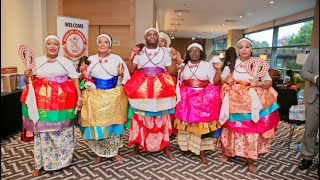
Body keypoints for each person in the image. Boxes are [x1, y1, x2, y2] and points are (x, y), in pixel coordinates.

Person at [21, 34, 82, 176]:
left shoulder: (66, 61)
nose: (52, 46)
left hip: (63, 102)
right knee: (42, 132)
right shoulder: (37, 61)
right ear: (45, 46)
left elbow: (74, 79)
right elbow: (29, 81)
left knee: (63, 130)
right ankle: (40, 163)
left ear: (59, 47)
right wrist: (27, 76)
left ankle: (63, 161)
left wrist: (79, 97)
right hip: (42, 104)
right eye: (49, 44)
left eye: (55, 44)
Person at [219, 37, 280, 173]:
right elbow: (222, 79)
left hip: (251, 100)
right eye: (241, 47)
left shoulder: (258, 64)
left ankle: (250, 159)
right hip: (234, 100)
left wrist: (258, 83)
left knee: (250, 127)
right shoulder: (232, 64)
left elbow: (268, 82)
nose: (244, 49)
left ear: (251, 49)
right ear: (238, 50)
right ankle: (228, 152)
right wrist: (226, 79)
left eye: (247, 47)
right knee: (231, 126)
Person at [124, 28, 177, 160]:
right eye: (149, 34)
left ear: (158, 38)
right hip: (142, 87)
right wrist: (132, 56)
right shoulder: (138, 53)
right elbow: (131, 70)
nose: (152, 36)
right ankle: (137, 146)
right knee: (140, 116)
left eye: (155, 34)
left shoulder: (165, 52)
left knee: (161, 116)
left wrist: (174, 59)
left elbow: (172, 72)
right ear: (145, 37)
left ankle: (165, 146)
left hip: (160, 87)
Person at [78, 33, 130, 164]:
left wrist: (121, 74)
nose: (102, 44)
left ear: (110, 45)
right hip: (95, 97)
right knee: (98, 126)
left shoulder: (117, 58)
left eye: (105, 42)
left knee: (114, 125)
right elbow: (83, 77)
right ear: (97, 44)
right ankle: (100, 152)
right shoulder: (91, 59)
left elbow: (125, 78)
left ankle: (114, 152)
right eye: (100, 42)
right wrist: (82, 70)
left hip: (114, 96)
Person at [174, 42, 222, 165]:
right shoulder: (183, 66)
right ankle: (187, 147)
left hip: (203, 99)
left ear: (201, 53)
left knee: (202, 125)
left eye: (197, 50)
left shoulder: (207, 65)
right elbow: (179, 82)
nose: (194, 53)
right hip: (187, 98)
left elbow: (215, 82)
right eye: (191, 50)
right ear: (188, 53)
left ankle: (201, 151)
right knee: (187, 123)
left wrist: (218, 70)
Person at [298, 48, 319, 175]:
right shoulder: (315, 52)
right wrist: (316, 78)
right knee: (310, 130)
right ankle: (307, 157)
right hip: (314, 98)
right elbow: (304, 72)